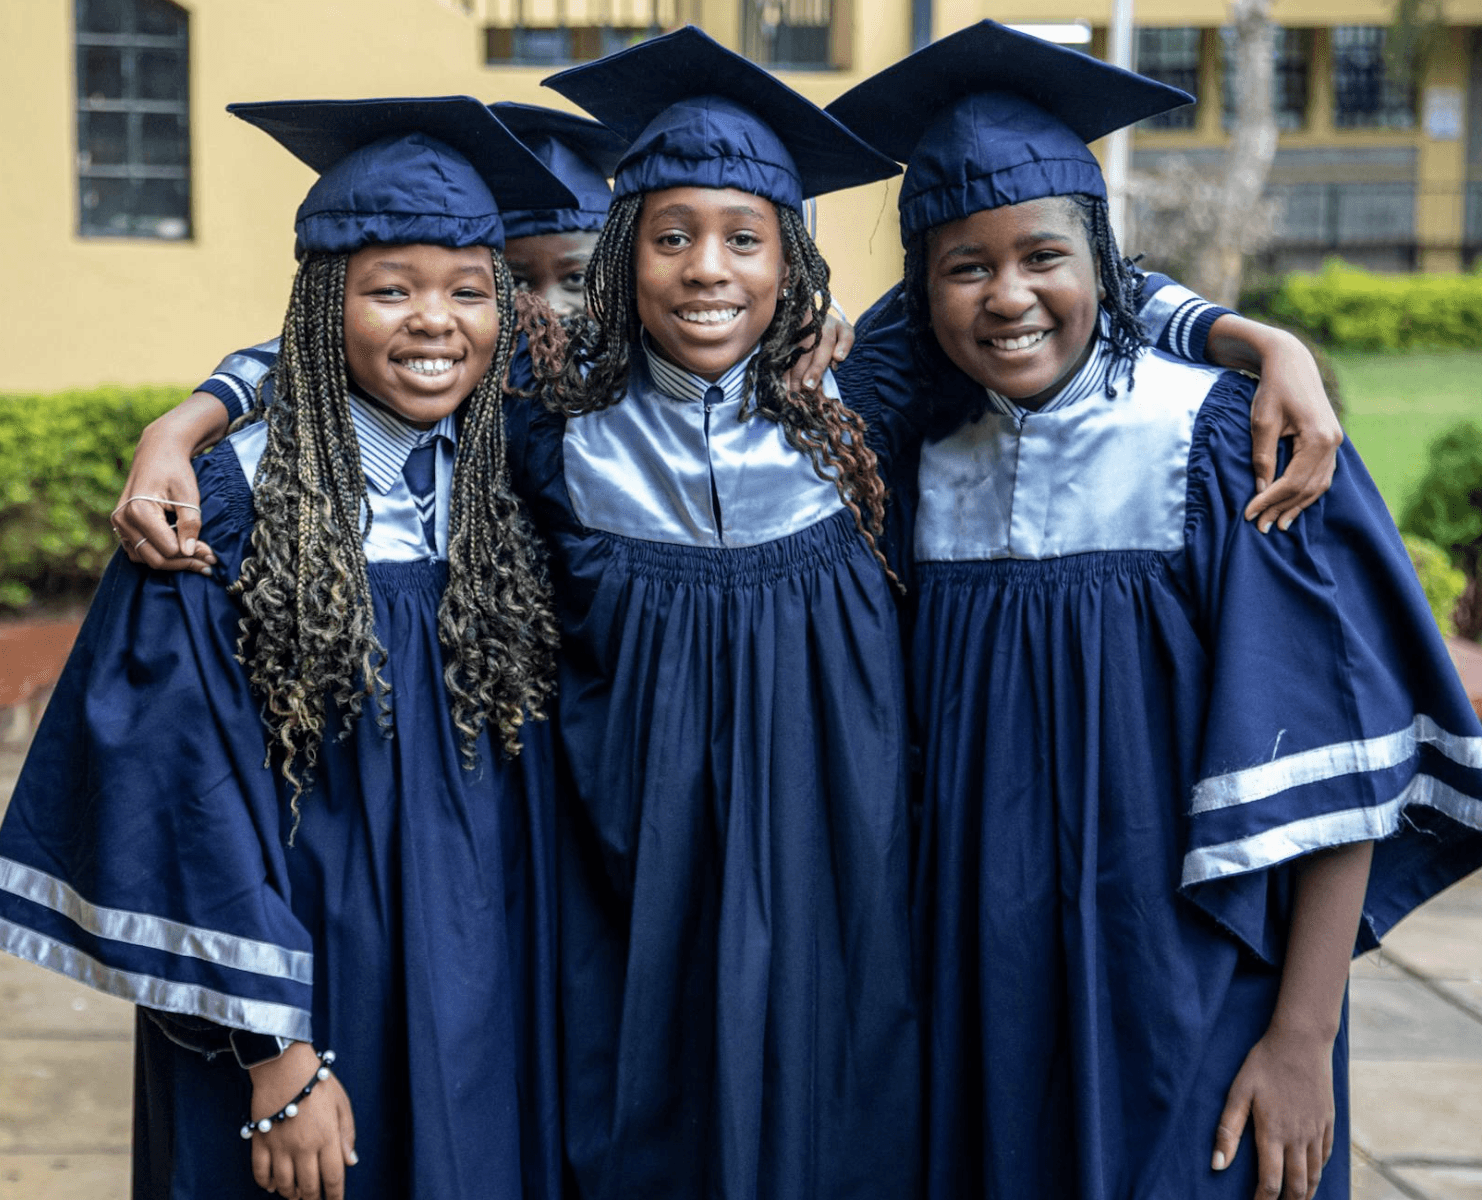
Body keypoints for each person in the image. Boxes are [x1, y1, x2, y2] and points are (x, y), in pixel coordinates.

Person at [827, 22, 1482, 1199]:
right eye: (964, 267)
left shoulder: (1226, 443)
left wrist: (1300, 1041)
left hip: (1187, 995)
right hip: (983, 1000)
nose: (1009, 296)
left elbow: (1338, 768)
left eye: (1044, 257)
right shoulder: (915, 457)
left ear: (1106, 264)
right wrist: (1241, 320)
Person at [0, 96, 574, 1200]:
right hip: (310, 979)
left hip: (476, 958)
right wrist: (280, 1059)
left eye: (467, 290)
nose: (435, 322)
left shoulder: (500, 475)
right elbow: (179, 784)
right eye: (388, 289)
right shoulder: (226, 502)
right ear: (323, 308)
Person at [525, 28, 919, 1198]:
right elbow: (368, 344)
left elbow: (1075, 286)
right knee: (645, 1103)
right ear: (622, 259)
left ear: (790, 261)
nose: (708, 268)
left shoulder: (870, 395)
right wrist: (191, 419)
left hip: (831, 849)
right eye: (671, 237)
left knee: (833, 1093)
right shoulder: (557, 426)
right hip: (632, 857)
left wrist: (1248, 337)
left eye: (744, 238)